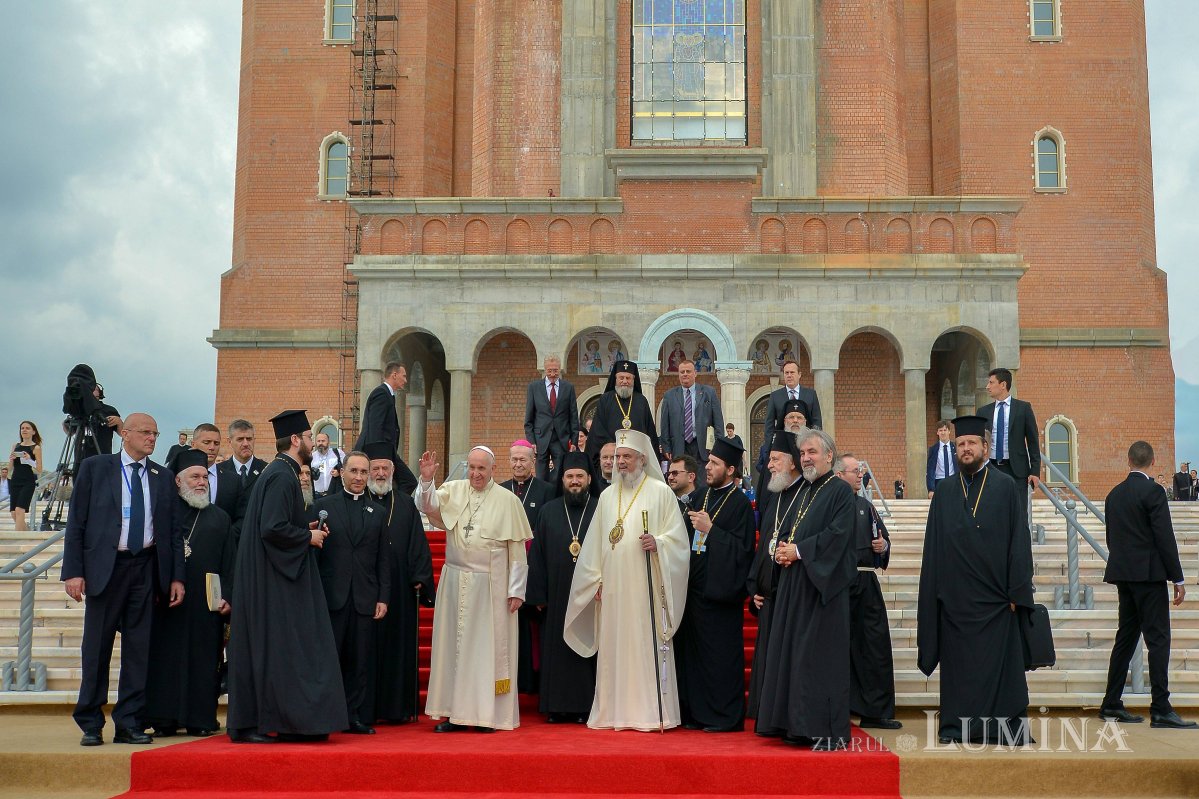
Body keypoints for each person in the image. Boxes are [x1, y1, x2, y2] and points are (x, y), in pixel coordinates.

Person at [61, 413, 184, 746]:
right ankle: (90, 721)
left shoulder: (162, 476)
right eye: (145, 432)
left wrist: (175, 578)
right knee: (96, 648)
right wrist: (73, 571)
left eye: (155, 433)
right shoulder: (96, 468)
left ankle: (129, 722)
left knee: (139, 649)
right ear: (125, 434)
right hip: (106, 568)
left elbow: (173, 533)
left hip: (145, 568)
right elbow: (77, 523)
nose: (152, 438)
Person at [226, 409, 348, 743]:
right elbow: (271, 528)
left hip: (267, 577)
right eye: (308, 436)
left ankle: (278, 721)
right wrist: (307, 537)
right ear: (295, 440)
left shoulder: (278, 472)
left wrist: (302, 527)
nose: (312, 442)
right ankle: (273, 722)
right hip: (273, 581)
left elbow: (276, 523)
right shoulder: (282, 475)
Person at [917, 415, 1034, 745]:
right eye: (959, 445)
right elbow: (933, 549)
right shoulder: (944, 492)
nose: (965, 449)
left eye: (971, 444)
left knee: (1001, 672)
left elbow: (1019, 542)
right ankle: (956, 727)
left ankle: (1003, 730)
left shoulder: (1006, 487)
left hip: (998, 602)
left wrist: (1017, 591)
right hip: (955, 603)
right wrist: (935, 594)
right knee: (959, 674)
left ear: (986, 447)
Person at [564, 429, 690, 731]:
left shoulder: (660, 493)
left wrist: (659, 543)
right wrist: (594, 581)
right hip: (613, 589)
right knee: (615, 648)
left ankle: (648, 712)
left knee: (642, 645)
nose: (620, 462)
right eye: (617, 457)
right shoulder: (607, 496)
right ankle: (613, 711)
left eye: (626, 457)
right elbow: (595, 544)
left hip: (646, 587)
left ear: (642, 459)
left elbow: (679, 542)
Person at [415, 446, 532, 731]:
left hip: (491, 587)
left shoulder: (507, 500)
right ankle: (455, 714)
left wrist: (516, 590)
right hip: (455, 582)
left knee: (485, 652)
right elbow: (426, 506)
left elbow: (517, 550)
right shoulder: (454, 490)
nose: (476, 473)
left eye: (482, 468)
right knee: (453, 648)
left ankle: (486, 716)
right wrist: (427, 480)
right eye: (472, 467)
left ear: (493, 470)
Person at [755, 429, 858, 750]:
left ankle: (823, 729)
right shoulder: (803, 491)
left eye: (812, 452)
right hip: (794, 588)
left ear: (830, 455)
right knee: (795, 659)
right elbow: (788, 531)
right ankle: (795, 725)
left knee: (818, 662)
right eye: (802, 454)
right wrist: (783, 550)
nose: (806, 458)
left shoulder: (840, 491)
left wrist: (798, 551)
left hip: (822, 593)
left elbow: (839, 536)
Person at [1099, 440, 1196, 729]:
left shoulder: (1113, 495)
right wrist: (1177, 577)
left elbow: (1111, 537)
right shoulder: (1153, 492)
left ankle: (1111, 703)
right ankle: (1161, 708)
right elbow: (1164, 537)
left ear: (1128, 461)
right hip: (1150, 576)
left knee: (1126, 638)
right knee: (1158, 641)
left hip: (1124, 575)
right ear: (1152, 463)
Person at [144, 449, 234, 738]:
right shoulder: (164, 513)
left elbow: (230, 562)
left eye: (205, 477)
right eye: (194, 476)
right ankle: (164, 718)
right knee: (166, 659)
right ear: (178, 481)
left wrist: (229, 596)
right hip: (169, 603)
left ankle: (201, 718)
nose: (201, 482)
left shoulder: (220, 518)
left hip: (206, 606)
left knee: (204, 661)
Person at [676, 437, 755, 732]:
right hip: (694, 593)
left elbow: (743, 550)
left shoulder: (741, 506)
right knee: (694, 658)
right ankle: (696, 714)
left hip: (721, 596)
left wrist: (712, 531)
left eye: (715, 464)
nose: (707, 468)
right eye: (708, 462)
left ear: (731, 470)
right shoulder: (699, 498)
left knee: (719, 660)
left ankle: (723, 717)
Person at [315, 451, 391, 735]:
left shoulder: (377, 512)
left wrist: (383, 596)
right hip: (331, 596)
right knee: (329, 659)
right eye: (354, 471)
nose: (359, 477)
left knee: (359, 662)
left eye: (363, 472)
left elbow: (383, 559)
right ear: (342, 472)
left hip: (364, 598)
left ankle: (353, 716)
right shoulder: (323, 507)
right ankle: (324, 715)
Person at [362, 442, 434, 725]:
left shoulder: (404, 503)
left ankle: (397, 709)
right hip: (366, 589)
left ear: (393, 472)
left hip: (401, 591)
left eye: (384, 468)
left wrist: (419, 577)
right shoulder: (359, 498)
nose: (380, 474)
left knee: (397, 649)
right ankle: (366, 708)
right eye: (375, 469)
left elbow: (418, 544)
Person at [526, 451, 598, 723]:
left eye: (580, 476)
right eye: (570, 476)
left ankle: (584, 707)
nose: (575, 481)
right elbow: (538, 556)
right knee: (556, 649)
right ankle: (556, 706)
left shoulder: (599, 509)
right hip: (555, 596)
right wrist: (538, 595)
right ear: (563, 479)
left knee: (584, 650)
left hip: (590, 596)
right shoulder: (549, 511)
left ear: (589, 479)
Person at [835, 453, 900, 730]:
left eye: (860, 470)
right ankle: (838, 709)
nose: (860, 474)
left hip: (866, 584)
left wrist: (882, 546)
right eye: (854, 471)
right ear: (839, 474)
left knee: (874, 648)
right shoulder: (829, 505)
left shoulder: (866, 505)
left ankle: (875, 711)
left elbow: (883, 539)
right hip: (837, 585)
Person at [746, 430, 805, 719]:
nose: (768, 465)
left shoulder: (806, 496)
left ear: (792, 462)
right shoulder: (774, 497)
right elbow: (762, 550)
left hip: (792, 599)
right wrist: (755, 586)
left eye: (774, 459)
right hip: (769, 598)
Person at [500, 440, 555, 693]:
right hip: (504, 569)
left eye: (523, 460)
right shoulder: (500, 491)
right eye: (514, 459)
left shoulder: (547, 490)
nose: (518, 464)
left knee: (533, 627)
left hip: (535, 569)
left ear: (533, 462)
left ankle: (533, 680)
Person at [585, 360, 661, 487]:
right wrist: (614, 447)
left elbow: (648, 431)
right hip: (613, 457)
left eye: (628, 378)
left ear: (633, 380)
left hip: (636, 461)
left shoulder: (641, 401)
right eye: (621, 378)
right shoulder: (606, 399)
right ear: (615, 379)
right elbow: (598, 430)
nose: (624, 381)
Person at [355, 361, 418, 494]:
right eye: (404, 376)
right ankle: (391, 508)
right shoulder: (382, 394)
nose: (405, 380)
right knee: (409, 481)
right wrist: (377, 459)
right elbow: (375, 427)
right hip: (380, 452)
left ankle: (390, 507)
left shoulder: (387, 394)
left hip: (386, 452)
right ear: (394, 375)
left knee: (402, 483)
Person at [659, 360, 724, 490]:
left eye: (688, 371)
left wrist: (716, 445)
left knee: (702, 484)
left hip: (702, 447)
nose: (685, 374)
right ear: (678, 375)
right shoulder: (669, 396)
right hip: (679, 446)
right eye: (682, 372)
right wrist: (666, 446)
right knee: (681, 482)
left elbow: (718, 421)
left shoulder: (708, 393)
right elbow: (664, 424)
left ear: (695, 373)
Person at [977, 368, 1041, 489]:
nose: (987, 386)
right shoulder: (983, 412)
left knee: (1018, 507)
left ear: (1003, 385)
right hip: (990, 468)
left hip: (1017, 470)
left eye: (991, 382)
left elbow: (1033, 441)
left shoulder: (1023, 408)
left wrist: (1035, 471)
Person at [524, 355, 580, 484]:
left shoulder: (568, 387)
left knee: (561, 473)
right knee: (541, 477)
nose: (553, 374)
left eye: (555, 370)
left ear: (560, 369)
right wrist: (531, 441)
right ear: (545, 370)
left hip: (561, 439)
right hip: (540, 439)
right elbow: (529, 419)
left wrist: (574, 442)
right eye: (550, 371)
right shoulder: (534, 387)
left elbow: (573, 416)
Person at [763, 361, 822, 433]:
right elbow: (769, 423)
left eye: (792, 372)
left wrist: (815, 441)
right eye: (786, 373)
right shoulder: (775, 396)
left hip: (805, 441)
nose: (789, 375)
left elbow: (817, 421)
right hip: (783, 440)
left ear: (799, 374)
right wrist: (769, 444)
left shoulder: (811, 394)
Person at [9, 420, 42, 531]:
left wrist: (29, 460)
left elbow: (39, 469)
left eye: (27, 428)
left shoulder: (36, 448)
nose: (24, 430)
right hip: (15, 480)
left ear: (33, 432)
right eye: (22, 428)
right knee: (14, 513)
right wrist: (11, 459)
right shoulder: (15, 446)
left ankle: (18, 540)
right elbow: (10, 468)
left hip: (27, 481)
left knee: (19, 510)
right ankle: (26, 532)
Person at [925, 420, 956, 498]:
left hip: (954, 481)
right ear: (937, 432)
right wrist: (931, 489)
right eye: (940, 430)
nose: (943, 433)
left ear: (949, 431)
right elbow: (930, 470)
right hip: (939, 481)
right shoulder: (933, 449)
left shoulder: (956, 448)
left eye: (945, 430)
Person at [310, 431, 346, 498]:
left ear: (328, 442)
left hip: (334, 493)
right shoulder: (311, 456)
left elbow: (347, 468)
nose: (321, 443)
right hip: (317, 495)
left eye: (323, 441)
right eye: (318, 441)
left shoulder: (338, 453)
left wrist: (339, 472)